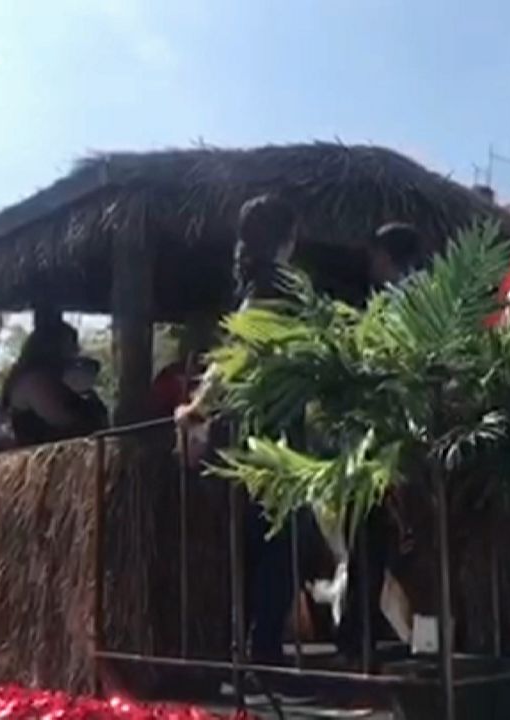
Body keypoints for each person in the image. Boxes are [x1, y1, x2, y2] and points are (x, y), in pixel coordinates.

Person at [176, 194, 311, 665]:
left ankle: (257, 641)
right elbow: (240, 354)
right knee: (280, 537)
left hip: (260, 428)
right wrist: (197, 405)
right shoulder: (277, 288)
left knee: (268, 537)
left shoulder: (261, 287)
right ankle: (263, 646)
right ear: (287, 237)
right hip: (274, 430)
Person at [0, 320, 107, 447]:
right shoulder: (35, 381)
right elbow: (68, 423)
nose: (76, 350)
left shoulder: (50, 379)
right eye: (71, 345)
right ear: (53, 347)